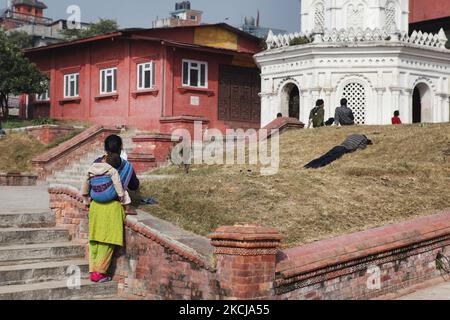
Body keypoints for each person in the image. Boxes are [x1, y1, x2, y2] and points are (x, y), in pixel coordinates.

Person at [87, 135, 139, 283]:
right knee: (107, 241)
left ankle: (93, 270)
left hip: (95, 206)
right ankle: (99, 273)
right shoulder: (126, 166)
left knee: (95, 239)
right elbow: (134, 185)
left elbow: (89, 181)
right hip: (113, 207)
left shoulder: (97, 162)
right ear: (121, 147)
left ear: (105, 148)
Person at [304, 134, 373, 169]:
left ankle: (308, 165)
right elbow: (361, 148)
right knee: (329, 159)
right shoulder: (363, 139)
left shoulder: (353, 135)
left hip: (338, 146)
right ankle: (315, 167)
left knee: (324, 156)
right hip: (344, 149)